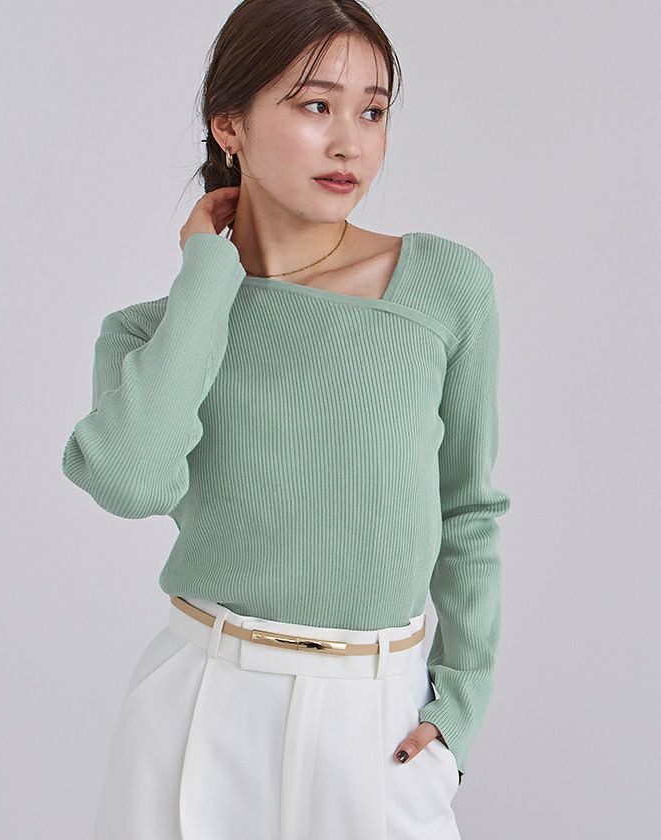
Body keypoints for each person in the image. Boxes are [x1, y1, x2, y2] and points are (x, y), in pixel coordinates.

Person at [61, 1, 511, 837]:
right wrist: (207, 273)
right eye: (315, 105)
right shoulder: (152, 335)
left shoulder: (446, 288)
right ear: (229, 123)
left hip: (379, 726)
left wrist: (460, 709)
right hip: (198, 706)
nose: (350, 144)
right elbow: (129, 481)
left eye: (372, 111)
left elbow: (468, 513)